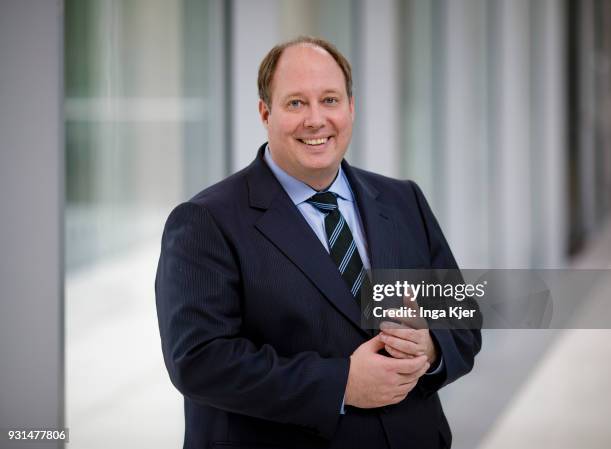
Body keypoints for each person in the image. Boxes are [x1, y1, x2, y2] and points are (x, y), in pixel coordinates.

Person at [155, 36, 481, 449]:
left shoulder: (402, 201)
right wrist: (341, 384)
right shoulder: (207, 221)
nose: (315, 119)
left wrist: (430, 346)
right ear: (264, 112)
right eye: (295, 103)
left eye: (329, 100)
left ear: (350, 108)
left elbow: (463, 319)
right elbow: (199, 362)